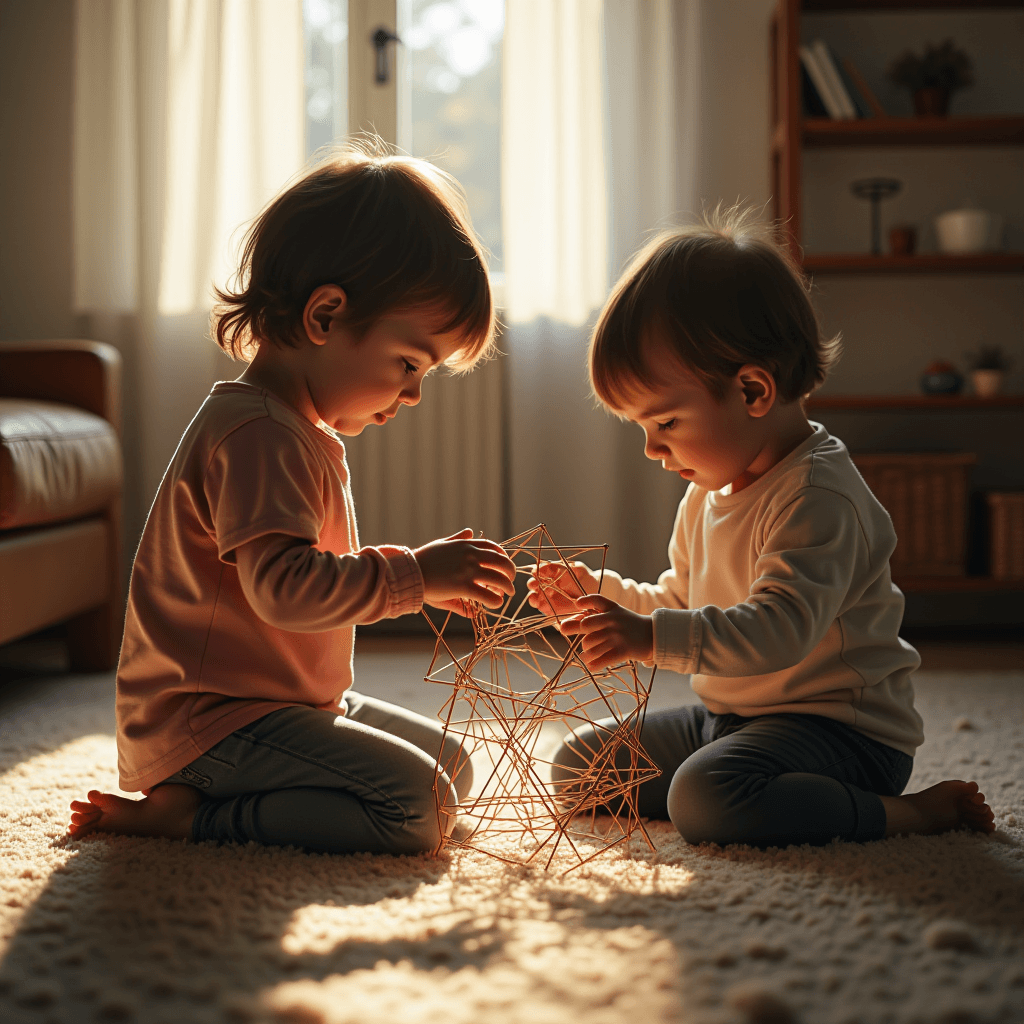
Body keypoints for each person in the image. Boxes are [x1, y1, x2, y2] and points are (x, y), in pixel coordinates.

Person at [69, 144, 516, 855]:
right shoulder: (257, 435)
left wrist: (420, 582)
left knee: (454, 769)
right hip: (211, 723)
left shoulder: (287, 428)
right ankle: (193, 816)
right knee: (418, 810)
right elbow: (284, 591)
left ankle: (218, 793)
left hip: (277, 705)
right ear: (326, 316)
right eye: (409, 363)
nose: (413, 393)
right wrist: (417, 577)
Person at [529, 207, 995, 848]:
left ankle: (909, 814)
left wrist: (645, 636)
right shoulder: (708, 488)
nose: (652, 450)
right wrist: (603, 599)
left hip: (841, 733)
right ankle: (751, 786)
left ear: (752, 391)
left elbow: (779, 631)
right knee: (578, 767)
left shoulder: (818, 497)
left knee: (705, 799)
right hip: (732, 717)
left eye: (664, 423)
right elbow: (683, 603)